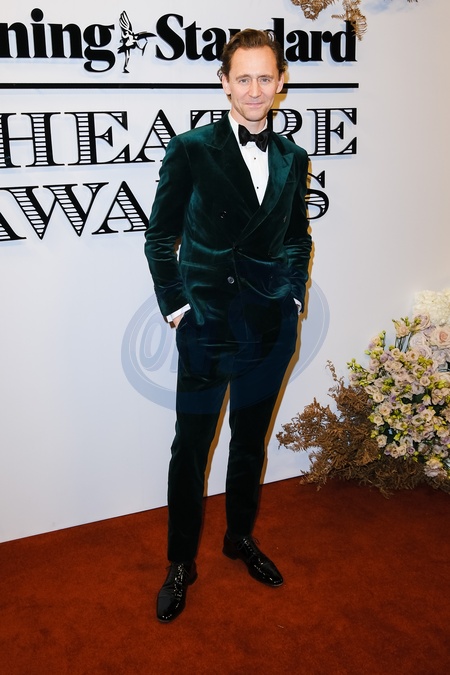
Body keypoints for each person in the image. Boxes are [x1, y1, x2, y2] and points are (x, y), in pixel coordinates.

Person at [144, 28, 312, 623]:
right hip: (208, 324)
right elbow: (160, 236)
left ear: (281, 81)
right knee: (190, 448)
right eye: (243, 78)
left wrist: (293, 297)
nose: (255, 89)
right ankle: (180, 563)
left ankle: (239, 537)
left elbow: (297, 237)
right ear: (224, 82)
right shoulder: (191, 149)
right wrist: (179, 307)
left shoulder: (293, 156)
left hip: (269, 326)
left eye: (265, 77)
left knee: (249, 442)